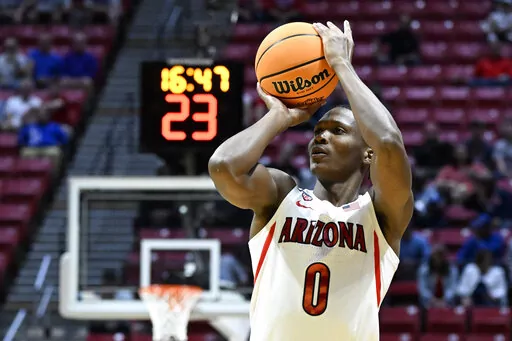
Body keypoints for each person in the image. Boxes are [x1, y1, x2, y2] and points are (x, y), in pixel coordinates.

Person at [209, 21, 412, 341]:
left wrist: (341, 66)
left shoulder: (381, 216)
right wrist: (279, 117)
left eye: (338, 131)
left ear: (367, 156)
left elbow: (388, 141)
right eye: (317, 132)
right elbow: (223, 167)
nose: (321, 138)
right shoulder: (280, 196)